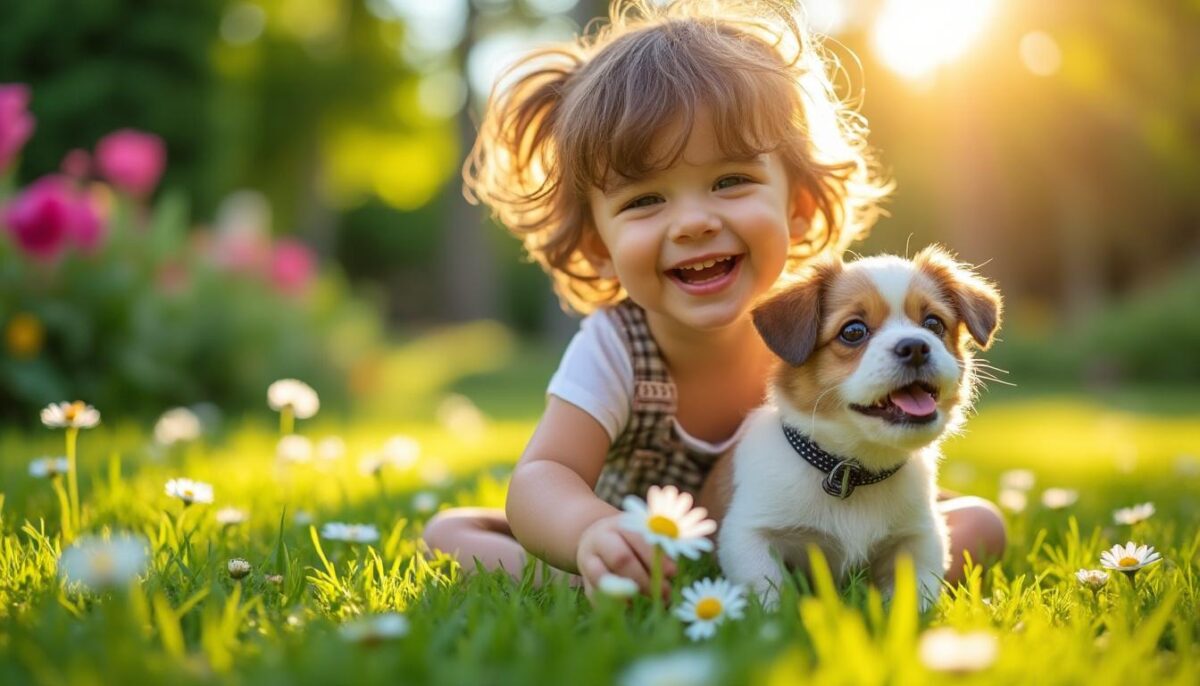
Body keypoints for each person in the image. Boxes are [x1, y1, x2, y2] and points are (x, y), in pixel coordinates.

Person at [425, 0, 1005, 597]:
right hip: (651, 548)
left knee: (979, 521)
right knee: (452, 532)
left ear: (798, 208)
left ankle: (851, 578)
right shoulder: (616, 346)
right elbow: (544, 475)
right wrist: (591, 534)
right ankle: (600, 581)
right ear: (599, 245)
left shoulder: (807, 328)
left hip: (820, 507)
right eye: (645, 200)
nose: (695, 222)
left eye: (730, 181)